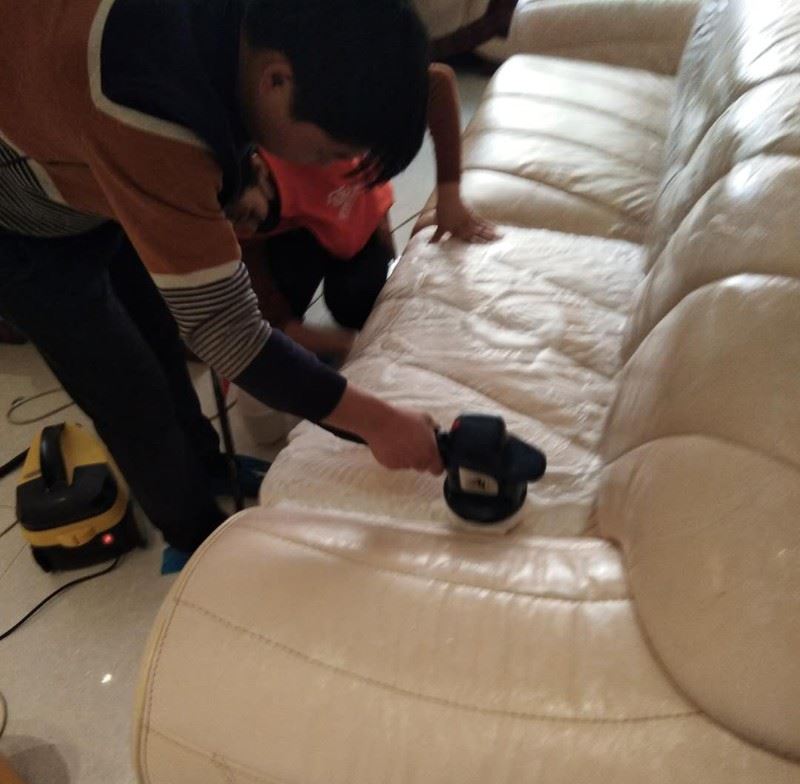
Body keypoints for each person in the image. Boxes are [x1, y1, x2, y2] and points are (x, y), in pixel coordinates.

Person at [0, 0, 443, 567]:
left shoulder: (245, 43)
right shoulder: (147, 111)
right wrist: (377, 423)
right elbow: (225, 330)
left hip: (85, 154)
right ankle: (196, 535)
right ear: (276, 80)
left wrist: (240, 167)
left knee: (157, 329)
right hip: (23, 223)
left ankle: (208, 467)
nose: (318, 167)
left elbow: (214, 96)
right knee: (127, 389)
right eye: (322, 153)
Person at [231, 64, 498, 364]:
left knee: (357, 301)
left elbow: (437, 81)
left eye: (247, 214)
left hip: (355, 220)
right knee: (275, 317)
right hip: (295, 240)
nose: (246, 225)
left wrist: (449, 197)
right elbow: (265, 323)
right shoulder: (238, 220)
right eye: (240, 220)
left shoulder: (322, 106)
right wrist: (348, 343)